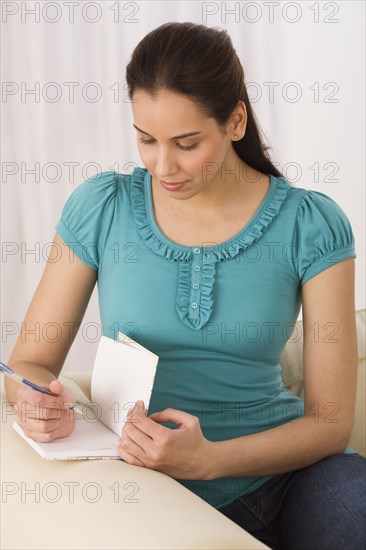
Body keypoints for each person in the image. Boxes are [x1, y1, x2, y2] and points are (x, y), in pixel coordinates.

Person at [5, 21, 365, 550]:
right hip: (146, 485)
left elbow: (330, 424)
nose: (162, 166)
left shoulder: (310, 224)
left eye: (186, 143)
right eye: (146, 139)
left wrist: (212, 459)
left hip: (288, 477)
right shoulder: (102, 208)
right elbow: (29, 363)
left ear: (236, 120)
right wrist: (35, 401)